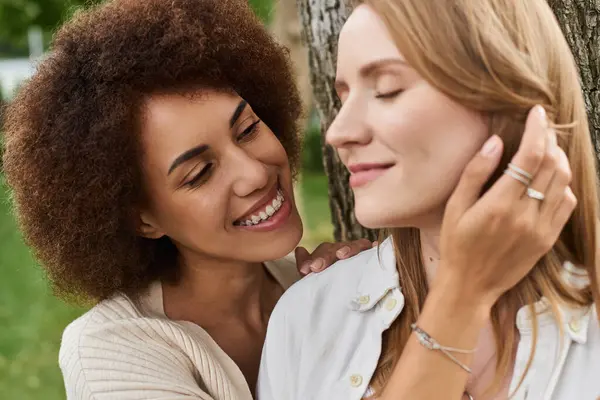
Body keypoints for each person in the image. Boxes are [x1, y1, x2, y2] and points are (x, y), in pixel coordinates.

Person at [1, 0, 374, 399]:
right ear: (143, 219)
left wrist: (358, 308)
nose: (255, 173)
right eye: (199, 173)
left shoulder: (319, 286)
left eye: (247, 129)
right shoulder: (109, 350)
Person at [258, 0, 599, 399]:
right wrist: (461, 293)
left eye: (387, 90)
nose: (338, 133)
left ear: (510, 99)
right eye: (343, 97)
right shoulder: (309, 318)